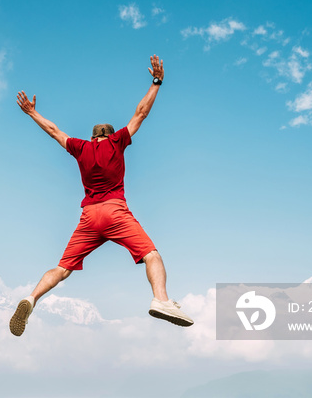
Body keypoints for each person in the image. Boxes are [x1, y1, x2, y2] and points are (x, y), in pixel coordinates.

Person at [10, 55, 193, 337]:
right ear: (108, 136)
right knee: (151, 255)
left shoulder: (80, 148)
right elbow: (141, 113)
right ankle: (162, 300)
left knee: (62, 269)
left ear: (93, 137)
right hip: (115, 211)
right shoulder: (117, 143)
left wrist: (32, 113)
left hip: (89, 216)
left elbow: (53, 130)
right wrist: (156, 83)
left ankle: (31, 298)